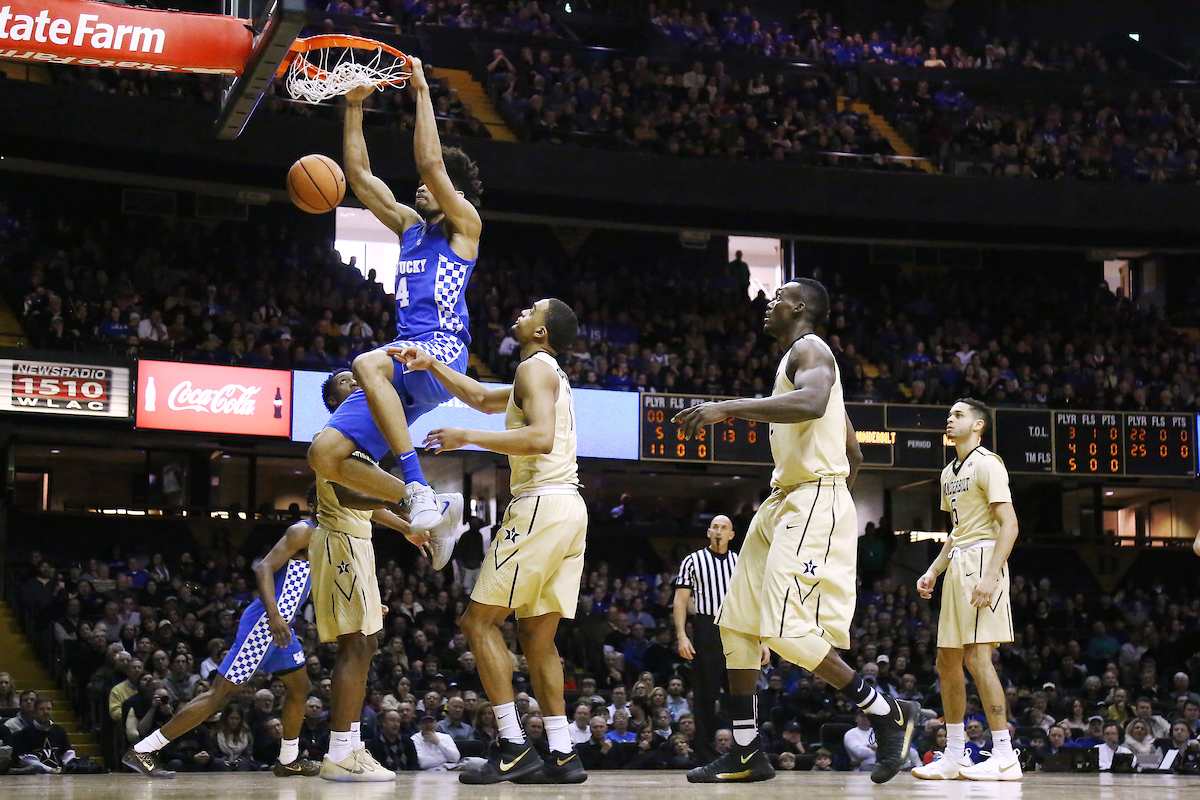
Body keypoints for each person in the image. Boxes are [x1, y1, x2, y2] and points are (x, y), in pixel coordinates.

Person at [673, 280, 916, 785]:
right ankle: (745, 752)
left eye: (779, 295)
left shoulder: (811, 350)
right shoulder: (798, 362)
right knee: (735, 624)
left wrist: (729, 407)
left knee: (783, 630)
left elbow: (810, 405)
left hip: (810, 499)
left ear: (801, 308)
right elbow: (855, 452)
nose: (769, 302)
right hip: (783, 500)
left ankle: (887, 710)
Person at [393, 297, 587, 785]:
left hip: (540, 504)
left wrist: (467, 437)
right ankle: (563, 753)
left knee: (477, 622)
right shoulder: (544, 372)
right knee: (538, 636)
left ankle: (513, 744)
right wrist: (433, 362)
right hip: (569, 508)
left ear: (543, 332)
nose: (522, 311)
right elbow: (481, 397)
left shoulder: (535, 370)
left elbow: (540, 438)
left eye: (533, 309)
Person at [309, 54, 482, 550]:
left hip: (441, 350)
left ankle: (416, 479)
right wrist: (354, 107)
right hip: (403, 362)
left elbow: (429, 163)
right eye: (423, 186)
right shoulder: (410, 228)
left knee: (366, 361)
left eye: (436, 185)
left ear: (458, 192)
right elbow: (359, 176)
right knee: (325, 455)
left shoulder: (465, 227)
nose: (422, 185)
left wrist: (422, 91)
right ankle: (425, 503)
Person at [307, 373, 452, 782]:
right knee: (354, 645)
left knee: (368, 643)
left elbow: (363, 504)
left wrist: (404, 527)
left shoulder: (361, 445)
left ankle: (351, 745)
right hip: (339, 542)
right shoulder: (332, 439)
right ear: (338, 402)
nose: (359, 385)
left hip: (358, 541)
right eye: (348, 384)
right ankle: (340, 751)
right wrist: (406, 496)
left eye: (359, 380)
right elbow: (345, 496)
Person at [123, 492, 323, 779]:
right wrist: (275, 616)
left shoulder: (328, 538)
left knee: (301, 688)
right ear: (315, 505)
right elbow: (264, 567)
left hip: (282, 627)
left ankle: (289, 760)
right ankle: (144, 749)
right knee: (219, 696)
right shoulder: (303, 530)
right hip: (266, 623)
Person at [912, 397, 1021, 782]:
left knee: (977, 659)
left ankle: (1006, 756)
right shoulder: (948, 473)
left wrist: (990, 576)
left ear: (978, 426)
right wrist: (934, 569)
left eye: (958, 416)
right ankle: (956, 755)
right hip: (959, 563)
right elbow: (957, 532)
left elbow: (1009, 525)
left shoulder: (988, 463)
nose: (950, 420)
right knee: (946, 660)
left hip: (983, 563)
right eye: (949, 416)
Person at [674, 514, 738, 761]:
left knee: (740, 692)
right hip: (706, 628)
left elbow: (752, 602)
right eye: (715, 527)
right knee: (705, 695)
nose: (719, 531)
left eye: (724, 528)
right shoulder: (693, 561)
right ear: (708, 532)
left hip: (735, 628)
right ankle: (704, 753)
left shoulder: (740, 561)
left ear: (731, 535)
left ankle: (742, 750)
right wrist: (682, 635)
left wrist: (761, 639)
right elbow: (680, 601)